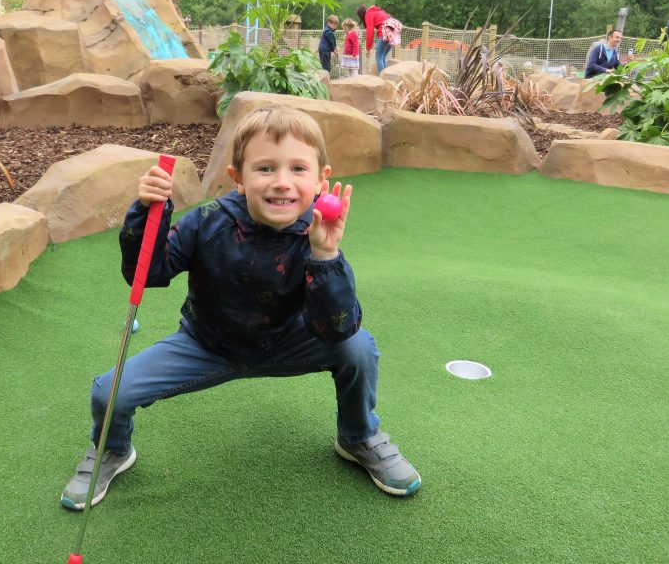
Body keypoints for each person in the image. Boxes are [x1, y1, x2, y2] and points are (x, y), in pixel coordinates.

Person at [60, 106, 422, 511]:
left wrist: (325, 254)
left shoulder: (315, 232)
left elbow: (337, 329)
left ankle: (357, 436)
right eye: (265, 168)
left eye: (298, 169)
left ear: (321, 180)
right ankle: (113, 450)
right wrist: (147, 214)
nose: (282, 183)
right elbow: (149, 274)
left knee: (358, 349)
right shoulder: (206, 221)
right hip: (206, 345)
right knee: (110, 392)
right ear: (237, 178)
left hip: (289, 343)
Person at [356, 5, 402, 73]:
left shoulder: (368, 15)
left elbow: (370, 31)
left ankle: (382, 77)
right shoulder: (379, 11)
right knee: (383, 56)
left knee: (379, 57)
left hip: (384, 35)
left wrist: (368, 48)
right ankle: (386, 75)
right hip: (391, 35)